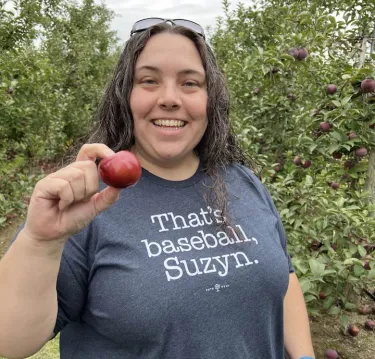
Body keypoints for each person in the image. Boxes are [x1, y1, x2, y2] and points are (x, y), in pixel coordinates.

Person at [0, 18, 315, 359]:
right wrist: (40, 241)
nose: (169, 98)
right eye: (149, 80)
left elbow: (283, 278)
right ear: (125, 95)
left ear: (211, 99)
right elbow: (8, 341)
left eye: (190, 83)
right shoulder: (86, 203)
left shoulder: (242, 181)